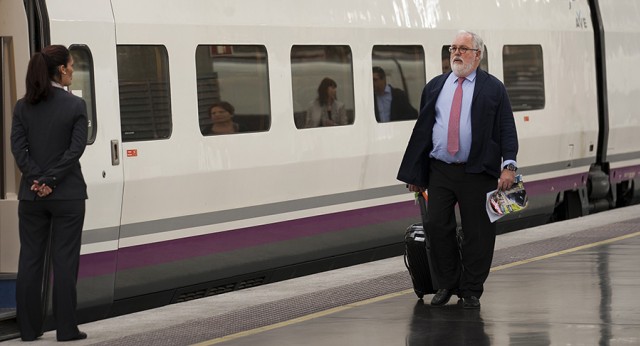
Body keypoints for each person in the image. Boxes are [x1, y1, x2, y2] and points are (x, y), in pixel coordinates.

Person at [397, 30, 519, 309]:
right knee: (437, 226)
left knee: (478, 231)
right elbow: (422, 132)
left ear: (477, 55)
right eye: (453, 48)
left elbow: (506, 129)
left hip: (477, 170)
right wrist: (416, 175)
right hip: (440, 169)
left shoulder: (493, 88)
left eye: (463, 48)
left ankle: (471, 289)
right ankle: (446, 284)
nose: (456, 53)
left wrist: (508, 166)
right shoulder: (436, 86)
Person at [10, 45, 88, 341]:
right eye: (71, 66)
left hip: (31, 197)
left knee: (30, 259)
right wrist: (52, 180)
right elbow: (75, 149)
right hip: (67, 195)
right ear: (61, 70)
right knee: (65, 261)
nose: (73, 71)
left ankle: (29, 331)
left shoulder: (22, 106)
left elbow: (19, 150)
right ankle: (67, 329)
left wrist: (36, 179)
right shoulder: (74, 106)